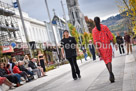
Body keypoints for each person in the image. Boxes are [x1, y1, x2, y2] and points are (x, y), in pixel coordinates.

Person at [92, 17, 115, 83]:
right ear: (100, 21)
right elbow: (110, 36)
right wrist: (113, 42)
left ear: (94, 22)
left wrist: (97, 50)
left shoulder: (94, 30)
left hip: (101, 48)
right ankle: (111, 73)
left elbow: (95, 41)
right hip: (107, 46)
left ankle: (110, 73)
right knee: (109, 60)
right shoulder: (105, 27)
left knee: (106, 61)